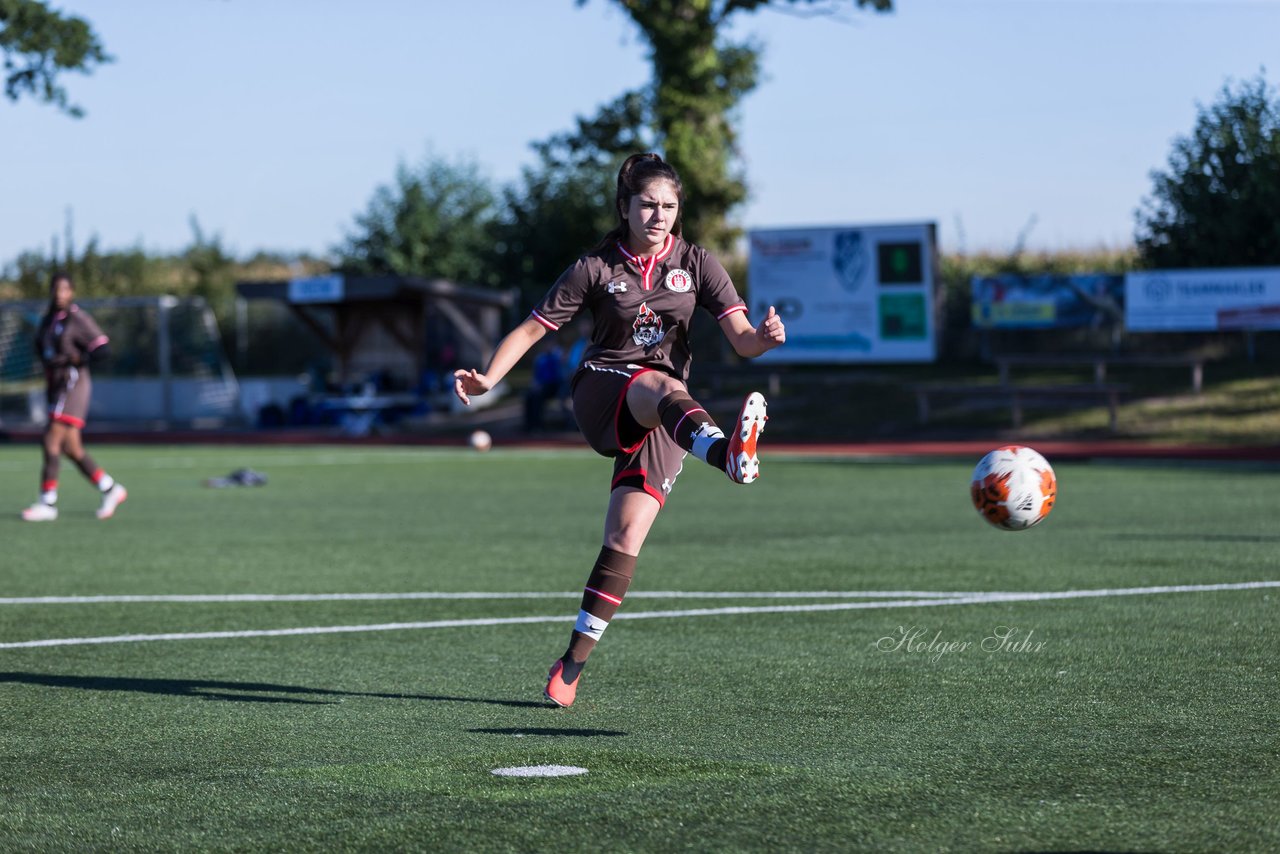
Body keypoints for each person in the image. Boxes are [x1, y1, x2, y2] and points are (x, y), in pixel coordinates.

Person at [454, 153, 785, 707]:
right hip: (605, 391)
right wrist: (490, 376)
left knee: (624, 537)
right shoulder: (595, 267)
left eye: (670, 207)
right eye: (649, 205)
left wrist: (766, 339)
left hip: (669, 414)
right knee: (656, 383)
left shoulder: (699, 262)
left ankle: (571, 665)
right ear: (625, 207)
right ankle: (726, 454)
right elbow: (532, 330)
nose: (659, 216)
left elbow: (743, 340)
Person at [20, 272, 128, 521]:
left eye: (65, 290)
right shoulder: (48, 320)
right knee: (71, 448)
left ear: (72, 292)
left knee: (50, 439)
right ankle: (110, 489)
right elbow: (41, 348)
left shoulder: (78, 319)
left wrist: (79, 358)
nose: (60, 294)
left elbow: (103, 349)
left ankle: (47, 503)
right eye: (56, 289)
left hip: (73, 385)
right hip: (56, 386)